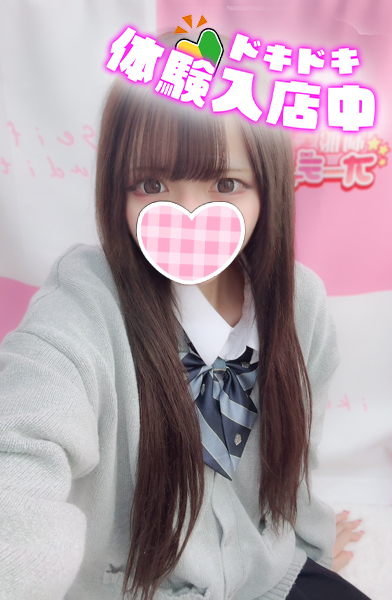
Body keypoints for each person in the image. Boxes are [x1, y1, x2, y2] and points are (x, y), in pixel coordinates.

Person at [0, 31, 371, 600]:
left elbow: (297, 457)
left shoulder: (300, 302)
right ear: (117, 187)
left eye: (226, 183)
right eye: (152, 184)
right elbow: (20, 442)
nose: (188, 215)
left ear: (267, 188)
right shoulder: (84, 303)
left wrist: (308, 540)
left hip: (262, 573)